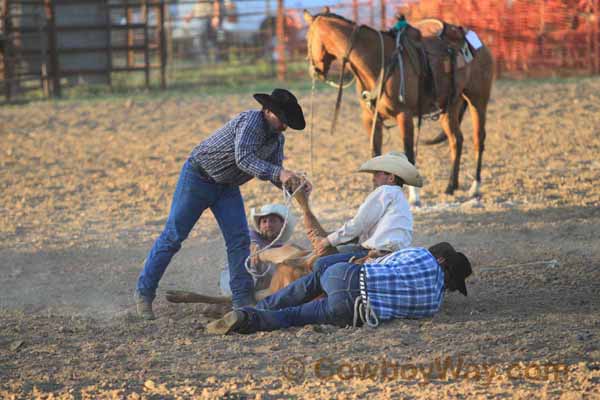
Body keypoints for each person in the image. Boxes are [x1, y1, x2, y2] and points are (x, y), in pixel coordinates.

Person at [134, 88, 307, 320]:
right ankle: (144, 293)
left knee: (239, 241)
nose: (284, 126)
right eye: (281, 119)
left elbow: (272, 173)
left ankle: (241, 300)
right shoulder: (250, 121)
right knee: (173, 237)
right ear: (267, 111)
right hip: (198, 177)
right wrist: (281, 172)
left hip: (226, 186)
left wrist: (292, 184)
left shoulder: (276, 139)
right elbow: (244, 159)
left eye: (286, 122)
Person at [206, 242, 472, 334]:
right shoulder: (434, 305)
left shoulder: (419, 254)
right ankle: (247, 319)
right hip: (353, 309)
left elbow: (375, 261)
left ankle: (255, 307)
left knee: (309, 280)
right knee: (293, 317)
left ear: (440, 258)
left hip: (345, 275)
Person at [309, 151, 423, 283]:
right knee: (343, 250)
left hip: (378, 252)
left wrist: (327, 241)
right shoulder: (400, 199)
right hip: (396, 254)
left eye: (377, 173)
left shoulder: (385, 191)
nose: (373, 178)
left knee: (320, 264)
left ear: (391, 178)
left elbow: (359, 224)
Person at [219, 204, 297, 296]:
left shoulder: (283, 248)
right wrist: (252, 246)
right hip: (233, 282)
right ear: (259, 226)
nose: (268, 225)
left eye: (273, 221)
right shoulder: (250, 236)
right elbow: (248, 242)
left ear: (282, 225)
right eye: (264, 221)